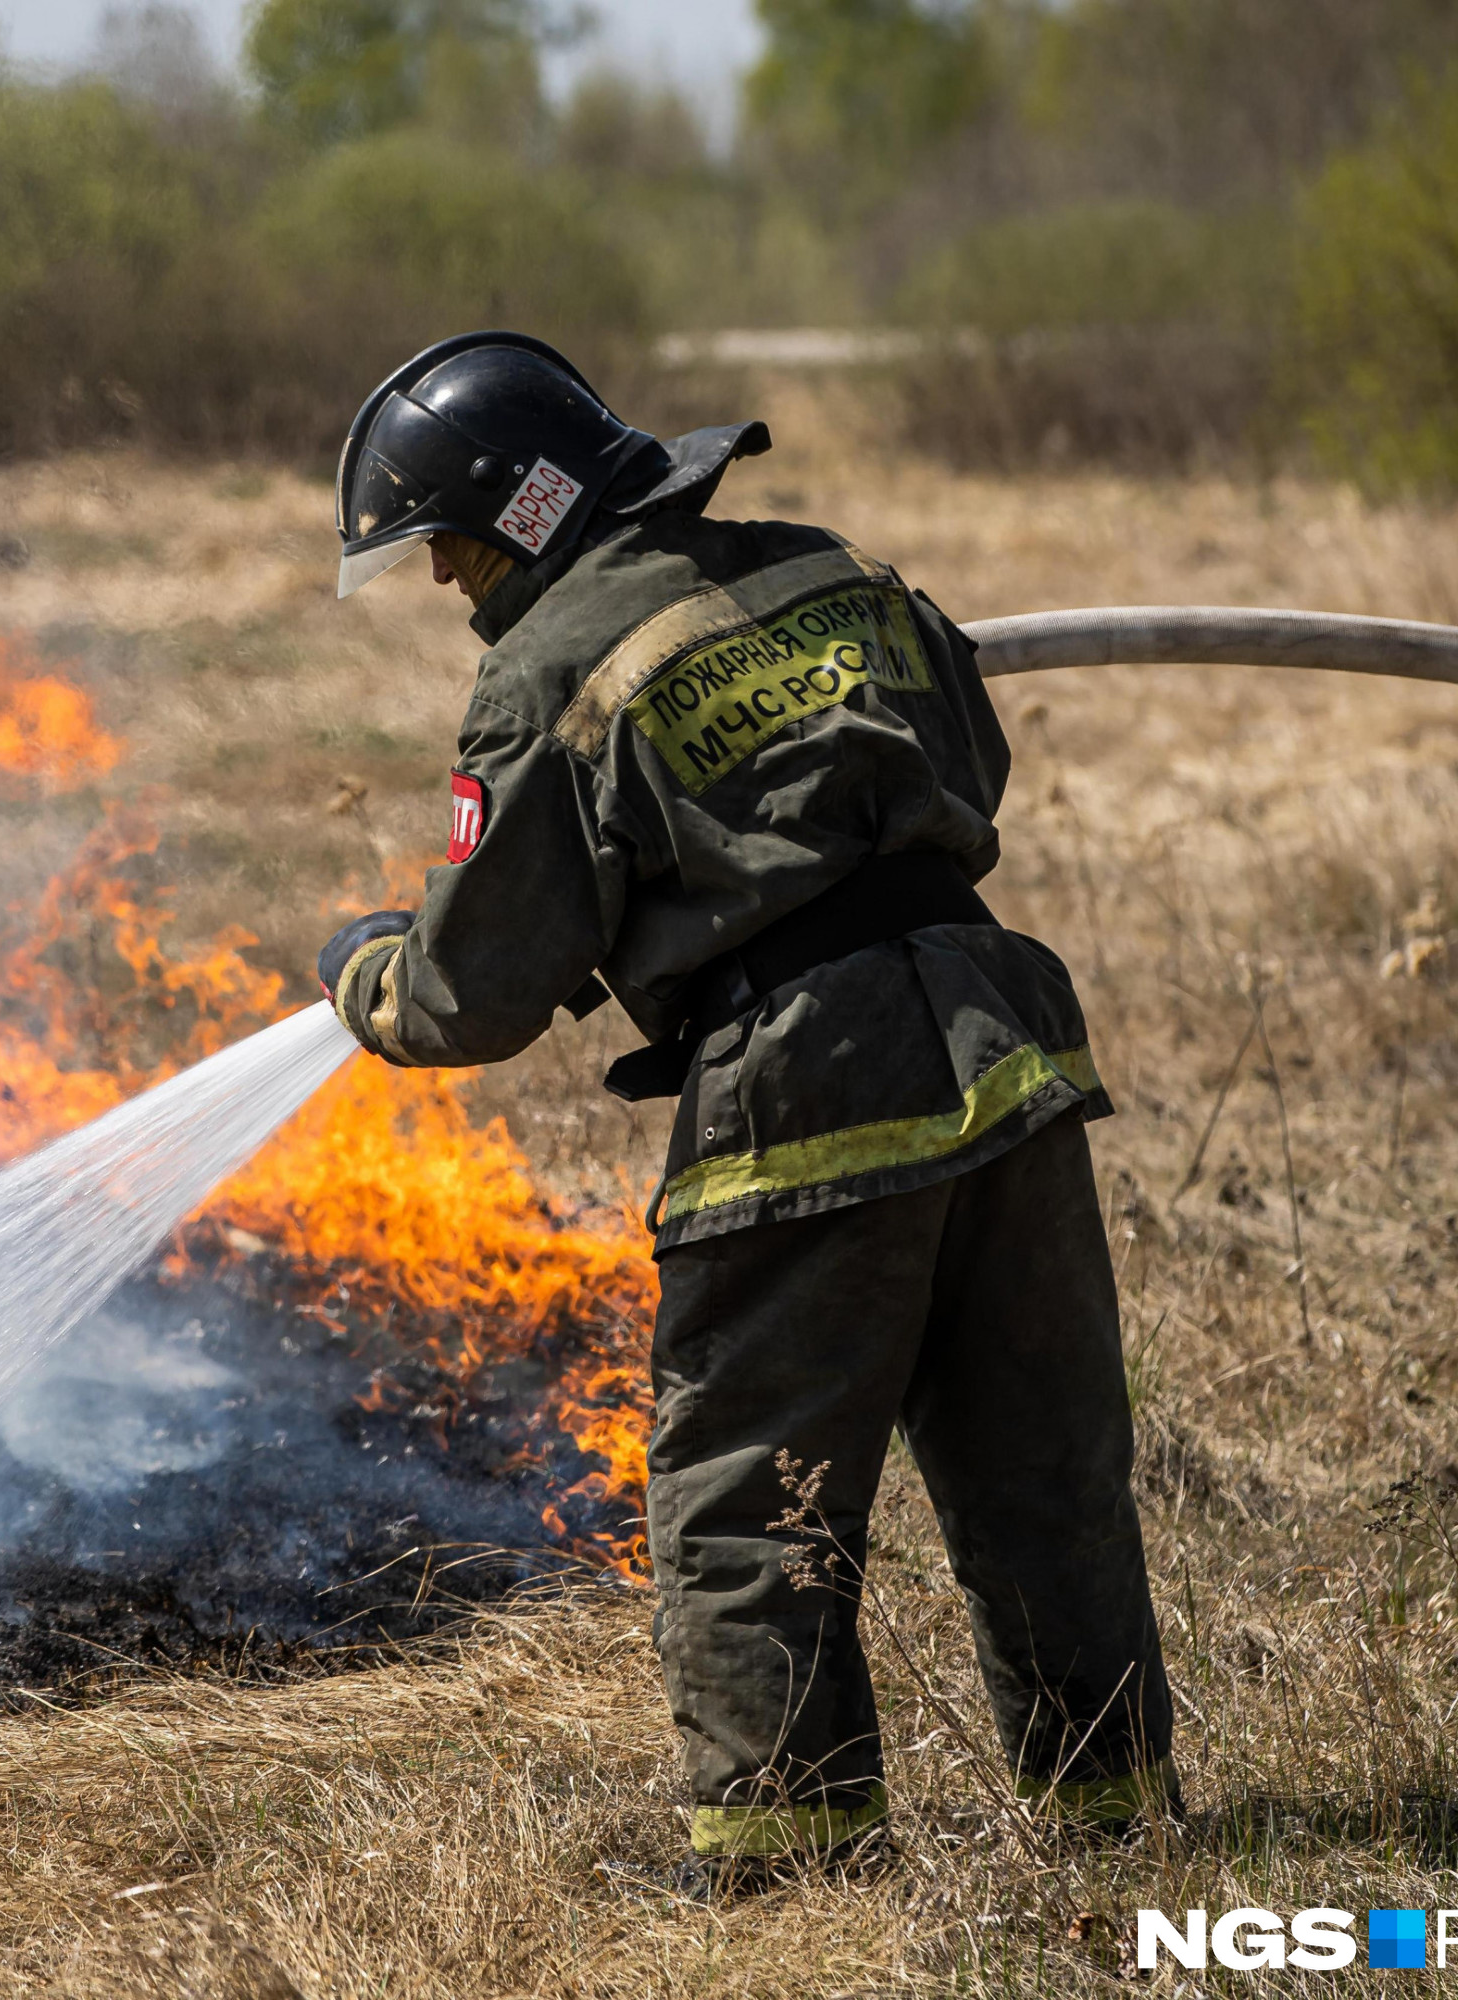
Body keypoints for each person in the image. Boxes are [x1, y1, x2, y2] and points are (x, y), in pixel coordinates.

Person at [317, 330, 1173, 1891]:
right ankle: (1116, 1826)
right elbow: (966, 757)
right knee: (1040, 1465)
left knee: (749, 1496)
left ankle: (791, 1875)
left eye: (441, 544)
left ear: (517, 514)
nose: (442, 582)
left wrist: (365, 972)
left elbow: (469, 994)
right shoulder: (824, 568)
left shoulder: (551, 667)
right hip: (1001, 1036)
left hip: (815, 1082)